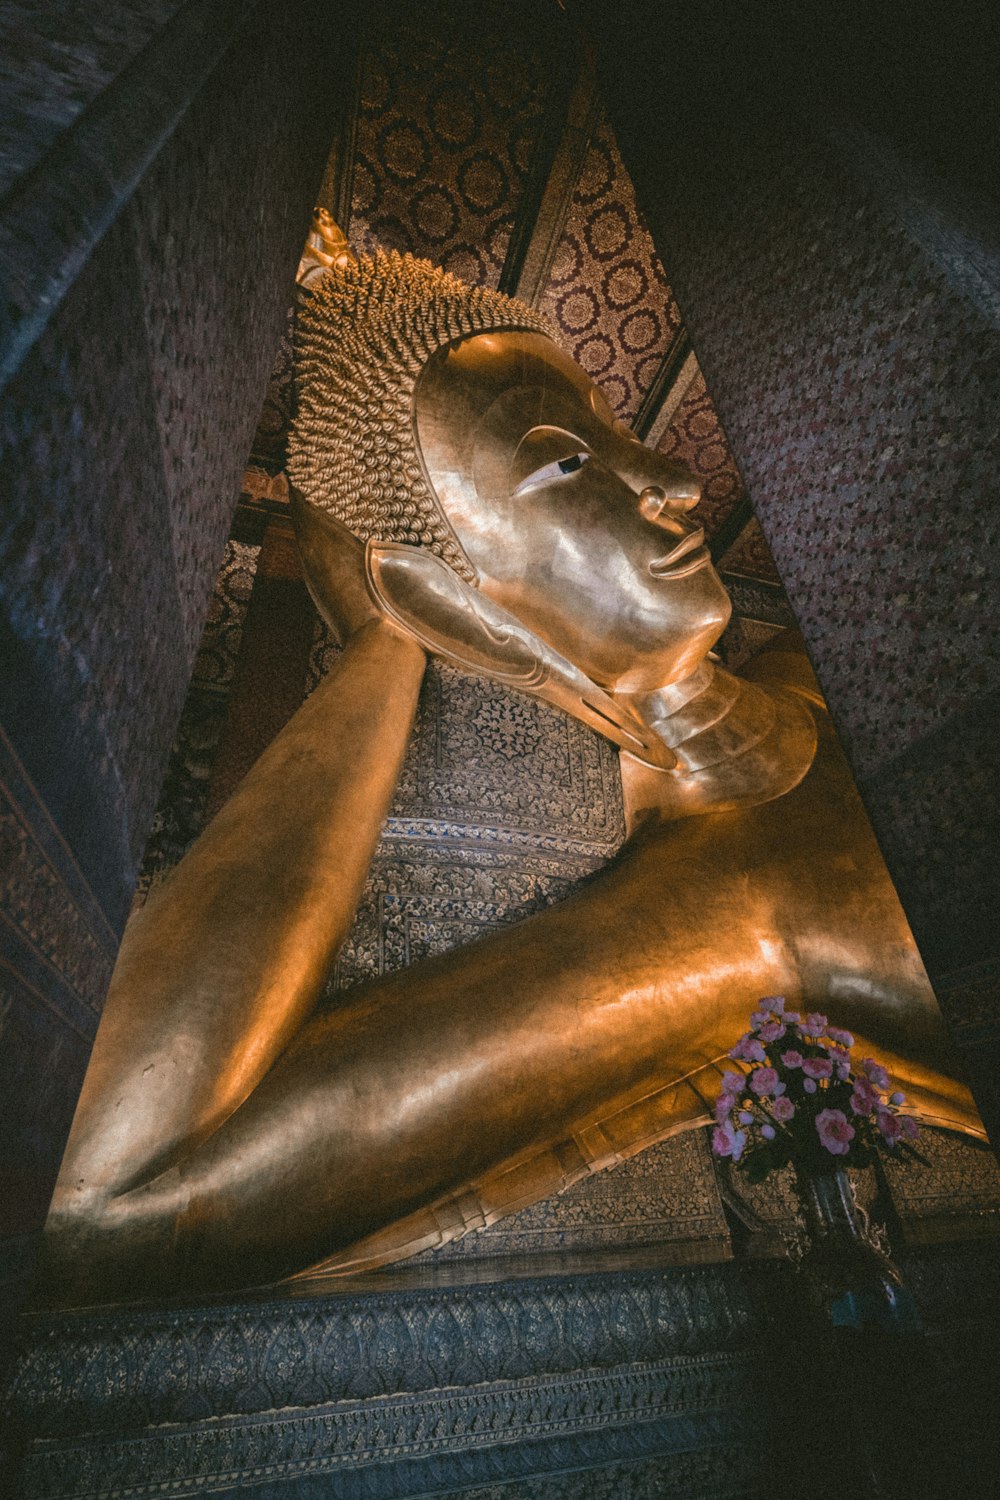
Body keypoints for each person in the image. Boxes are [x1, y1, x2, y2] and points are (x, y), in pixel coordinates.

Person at [41, 242, 982, 1305]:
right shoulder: (716, 920)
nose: (674, 482)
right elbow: (109, 1194)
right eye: (566, 466)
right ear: (452, 600)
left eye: (620, 434)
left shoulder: (824, 663)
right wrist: (379, 644)